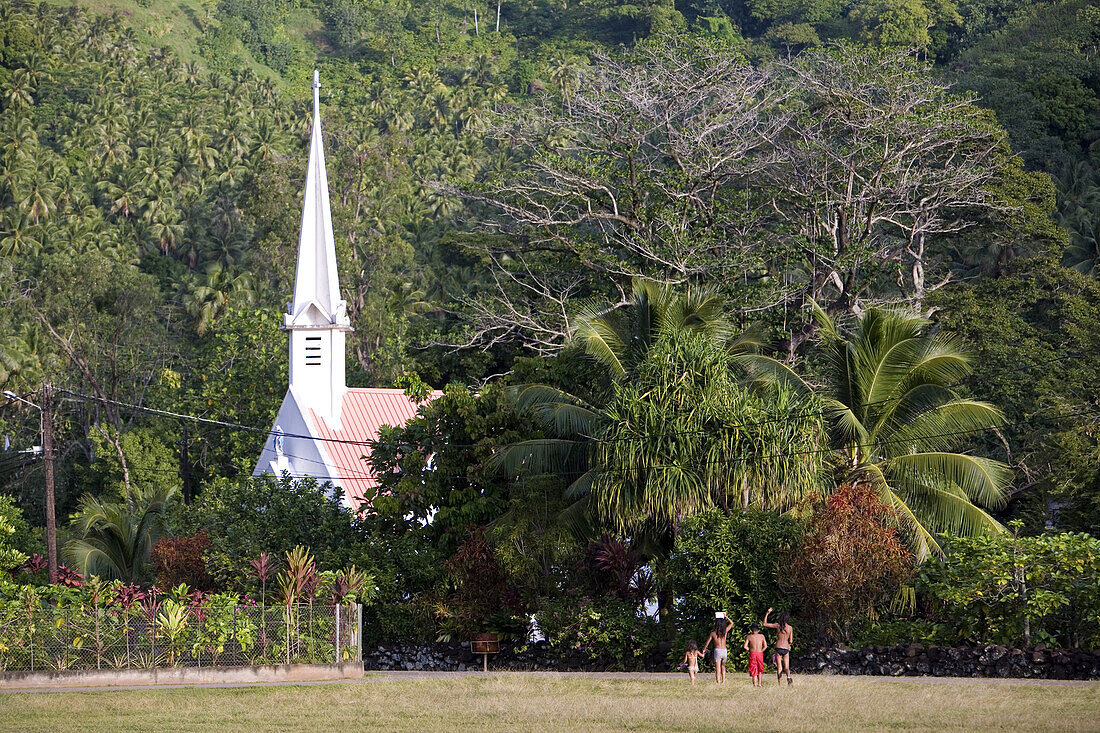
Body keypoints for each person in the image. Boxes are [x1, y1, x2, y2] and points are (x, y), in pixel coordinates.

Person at [763, 607, 794, 685]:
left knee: (779, 666)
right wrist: (788, 644)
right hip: (786, 648)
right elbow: (791, 640)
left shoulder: (778, 625)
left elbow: (765, 624)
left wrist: (767, 613)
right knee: (786, 666)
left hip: (778, 647)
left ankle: (780, 683)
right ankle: (788, 677)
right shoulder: (790, 628)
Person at [701, 615, 734, 685]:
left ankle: (718, 682)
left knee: (718, 668)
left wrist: (704, 649)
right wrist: (726, 616)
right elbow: (732, 623)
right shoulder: (725, 632)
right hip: (724, 650)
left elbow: (707, 642)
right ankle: (724, 681)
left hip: (717, 650)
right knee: (723, 666)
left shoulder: (713, 633)